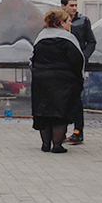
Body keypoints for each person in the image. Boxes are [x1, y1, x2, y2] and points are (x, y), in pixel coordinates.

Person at [30, 10, 84, 154]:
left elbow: (32, 59)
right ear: (60, 23)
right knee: (60, 113)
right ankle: (57, 145)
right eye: (68, 21)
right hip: (63, 81)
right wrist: (78, 79)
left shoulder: (40, 38)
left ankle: (45, 144)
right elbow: (78, 61)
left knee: (43, 112)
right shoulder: (68, 39)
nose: (70, 23)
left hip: (41, 80)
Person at [61, 0, 95, 145]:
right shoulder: (57, 20)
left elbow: (91, 41)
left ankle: (78, 130)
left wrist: (84, 56)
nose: (74, 8)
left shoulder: (83, 20)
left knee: (76, 97)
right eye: (71, 5)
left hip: (76, 65)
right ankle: (60, 129)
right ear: (63, 6)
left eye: (76, 5)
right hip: (61, 65)